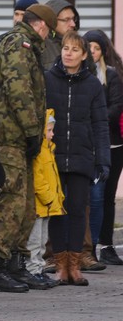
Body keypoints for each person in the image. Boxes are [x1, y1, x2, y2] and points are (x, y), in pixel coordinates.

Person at [0, 4, 55, 293]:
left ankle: (15, 263)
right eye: (48, 29)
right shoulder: (18, 44)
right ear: (41, 26)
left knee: (25, 203)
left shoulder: (25, 45)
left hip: (20, 136)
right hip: (13, 134)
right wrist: (32, 130)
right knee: (12, 200)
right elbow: (19, 91)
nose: (48, 35)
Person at [45, 31, 110, 285]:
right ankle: (60, 265)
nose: (68, 53)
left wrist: (102, 159)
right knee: (57, 211)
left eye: (74, 50)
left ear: (84, 55)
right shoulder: (48, 79)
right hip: (54, 157)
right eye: (65, 49)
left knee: (77, 211)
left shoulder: (93, 84)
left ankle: (75, 264)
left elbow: (100, 124)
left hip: (83, 156)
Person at [84, 30, 123, 266]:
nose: (92, 52)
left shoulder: (112, 75)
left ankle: (105, 245)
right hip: (86, 144)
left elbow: (117, 105)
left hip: (113, 144)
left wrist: (94, 120)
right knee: (90, 197)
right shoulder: (80, 75)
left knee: (106, 196)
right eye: (87, 48)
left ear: (103, 50)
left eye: (96, 48)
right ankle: (89, 246)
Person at [26, 109, 63, 287]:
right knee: (34, 241)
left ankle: (39, 269)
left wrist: (57, 198)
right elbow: (38, 179)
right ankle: (32, 270)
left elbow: (53, 178)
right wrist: (48, 197)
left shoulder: (49, 150)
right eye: (49, 130)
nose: (52, 134)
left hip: (47, 205)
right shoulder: (39, 152)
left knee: (42, 241)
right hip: (40, 205)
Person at [41, 0, 79, 68]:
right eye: (66, 19)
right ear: (52, 21)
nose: (73, 24)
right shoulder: (40, 47)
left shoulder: (81, 44)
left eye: (73, 19)